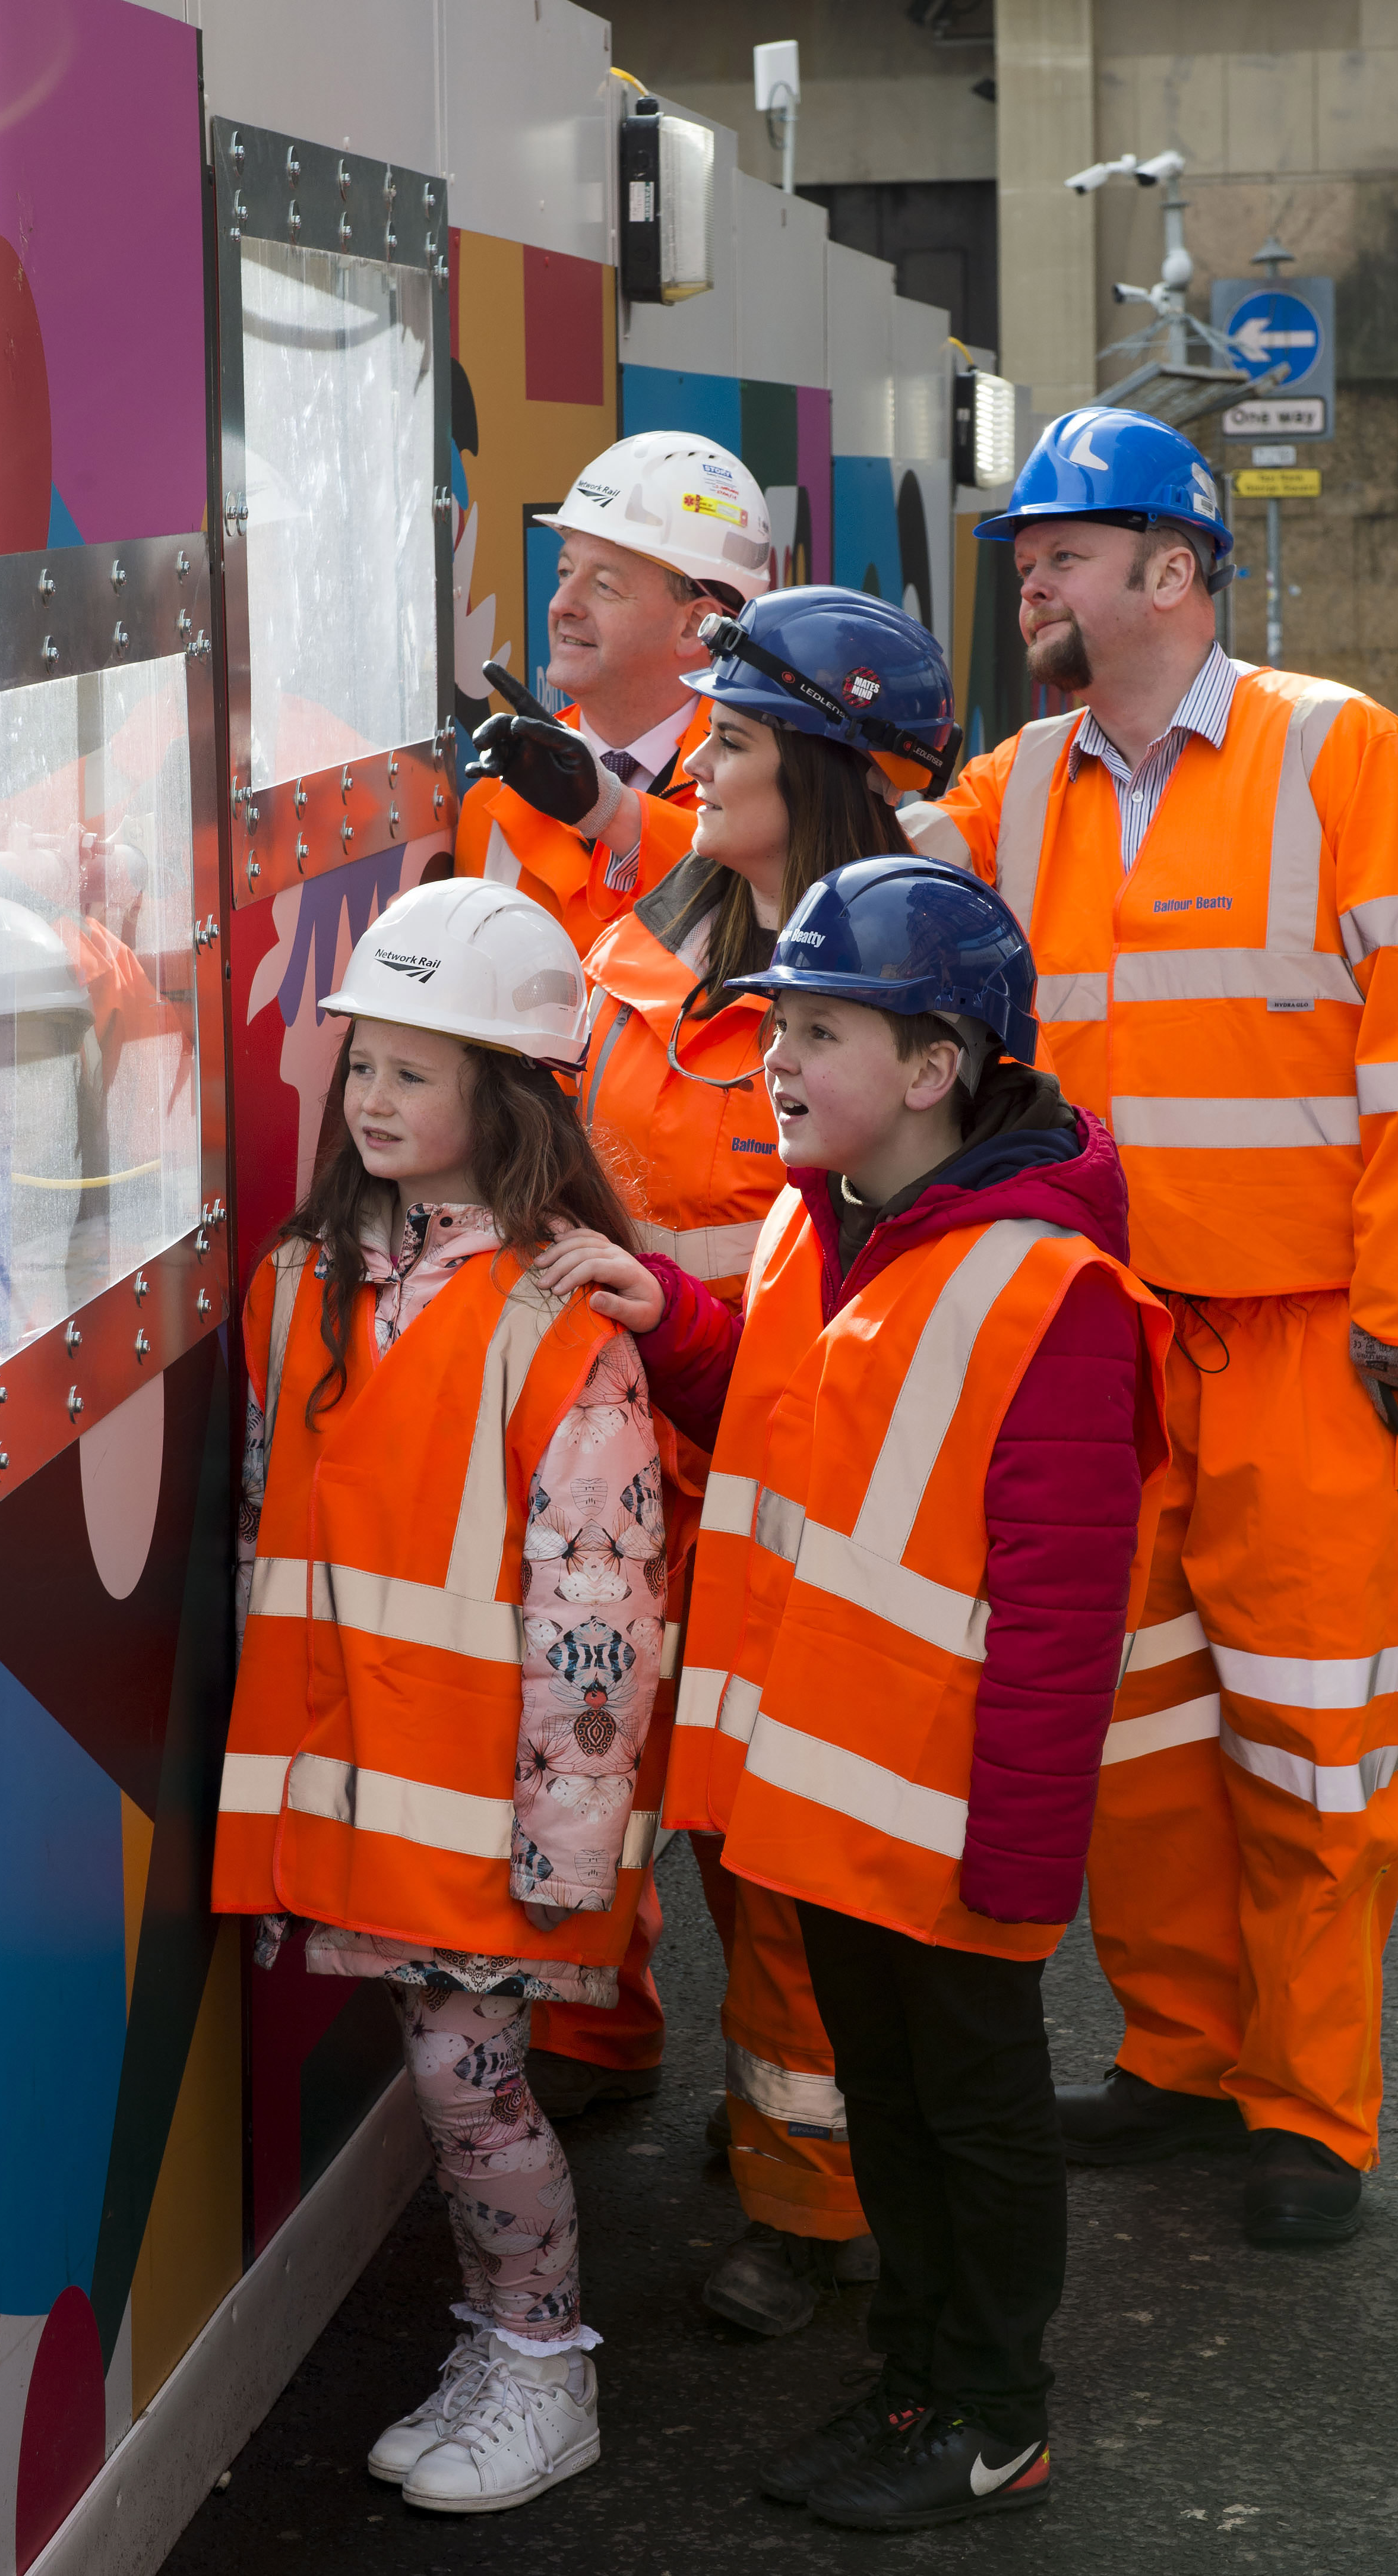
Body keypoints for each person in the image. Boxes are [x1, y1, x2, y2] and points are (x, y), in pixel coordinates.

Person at [902, 406, 1398, 2245]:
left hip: (1320, 1350)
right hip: (1106, 1347)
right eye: (1025, 555)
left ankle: (1310, 2108)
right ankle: (1179, 2056)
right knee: (1141, 1741)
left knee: (1314, 1747)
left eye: (1065, 554)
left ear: (1174, 571)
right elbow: (847, 867)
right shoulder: (1010, 790)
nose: (1034, 579)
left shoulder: (1345, 756)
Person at [540, 855, 1170, 2530]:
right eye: (775, 1028)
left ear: (937, 1066)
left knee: (970, 2116)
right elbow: (786, 1414)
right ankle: (914, 2378)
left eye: (819, 1031)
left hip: (948, 1822)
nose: (776, 1064)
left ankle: (990, 2414)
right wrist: (667, 1313)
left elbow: (1057, 1612)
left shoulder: (1053, 1294)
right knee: (891, 2111)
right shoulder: (814, 1227)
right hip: (831, 1797)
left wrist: (1026, 1865)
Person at [210, 878, 670, 2514]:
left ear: (510, 1093)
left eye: (417, 1069)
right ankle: (502, 2333)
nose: (375, 1101)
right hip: (358, 1790)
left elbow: (597, 1615)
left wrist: (568, 1846)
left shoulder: (566, 1319)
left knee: (466, 2092)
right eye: (360, 1069)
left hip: (485, 1806)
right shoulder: (299, 1283)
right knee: (451, 2083)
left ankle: (547, 2365)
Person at [536, 590, 961, 2339]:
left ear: (833, 770)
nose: (693, 763)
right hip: (635, 1494)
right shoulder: (657, 940)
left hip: (806, 1512)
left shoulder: (909, 997)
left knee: (786, 1879)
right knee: (619, 1810)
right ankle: (630, 2062)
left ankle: (815, 2198)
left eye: (732, 738)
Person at [456, 433, 771, 952]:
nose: (562, 603)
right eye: (564, 571)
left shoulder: (771, 793)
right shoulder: (496, 800)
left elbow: (776, 904)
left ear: (698, 626)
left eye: (604, 585)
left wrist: (610, 812)